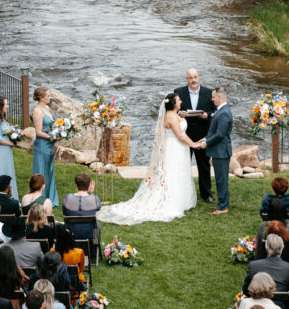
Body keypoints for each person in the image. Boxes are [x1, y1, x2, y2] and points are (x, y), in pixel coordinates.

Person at [98, 93, 197, 225]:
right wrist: (194, 144)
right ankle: (173, 201)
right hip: (174, 148)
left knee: (181, 172)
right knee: (173, 173)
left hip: (180, 148)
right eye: (179, 100)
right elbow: (180, 135)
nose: (181, 101)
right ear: (173, 103)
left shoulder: (175, 115)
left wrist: (181, 117)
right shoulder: (171, 117)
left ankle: (182, 200)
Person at [175, 68, 216, 203]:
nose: (193, 80)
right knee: (183, 164)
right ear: (187, 79)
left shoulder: (209, 92)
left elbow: (214, 111)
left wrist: (207, 115)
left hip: (202, 135)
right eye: (190, 78)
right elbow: (172, 110)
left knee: (204, 165)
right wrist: (178, 113)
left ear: (199, 78)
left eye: (195, 77)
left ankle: (206, 194)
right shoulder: (179, 92)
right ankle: (181, 192)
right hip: (185, 136)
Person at [200, 86, 232, 215]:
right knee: (219, 179)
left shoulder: (224, 113)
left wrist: (206, 143)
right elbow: (213, 131)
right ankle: (221, 203)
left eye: (213, 97)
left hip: (222, 152)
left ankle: (223, 207)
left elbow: (220, 135)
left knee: (221, 180)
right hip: (218, 151)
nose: (212, 99)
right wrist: (204, 139)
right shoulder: (220, 110)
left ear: (219, 97)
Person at [30, 86, 59, 206]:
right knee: (42, 170)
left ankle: (50, 197)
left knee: (50, 170)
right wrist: (52, 137)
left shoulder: (46, 108)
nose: (49, 98)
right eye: (47, 96)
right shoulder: (37, 111)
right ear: (41, 98)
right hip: (42, 145)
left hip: (49, 145)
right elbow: (38, 132)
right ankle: (40, 197)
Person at [0, 96, 19, 198]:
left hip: (5, 150)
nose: (8, 106)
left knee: (7, 169)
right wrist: (12, 144)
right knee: (1, 170)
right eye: (6, 104)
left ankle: (9, 194)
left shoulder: (2, 119)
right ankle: (0, 195)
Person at [61, 173, 101, 244]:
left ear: (76, 185)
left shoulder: (68, 198)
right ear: (89, 185)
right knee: (97, 225)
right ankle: (94, 249)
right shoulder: (94, 199)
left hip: (72, 233)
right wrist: (91, 194)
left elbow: (64, 213)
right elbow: (98, 210)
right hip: (89, 234)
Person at [0, 174, 25, 239]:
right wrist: (11, 198)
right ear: (9, 187)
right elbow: (17, 216)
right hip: (9, 233)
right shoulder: (14, 203)